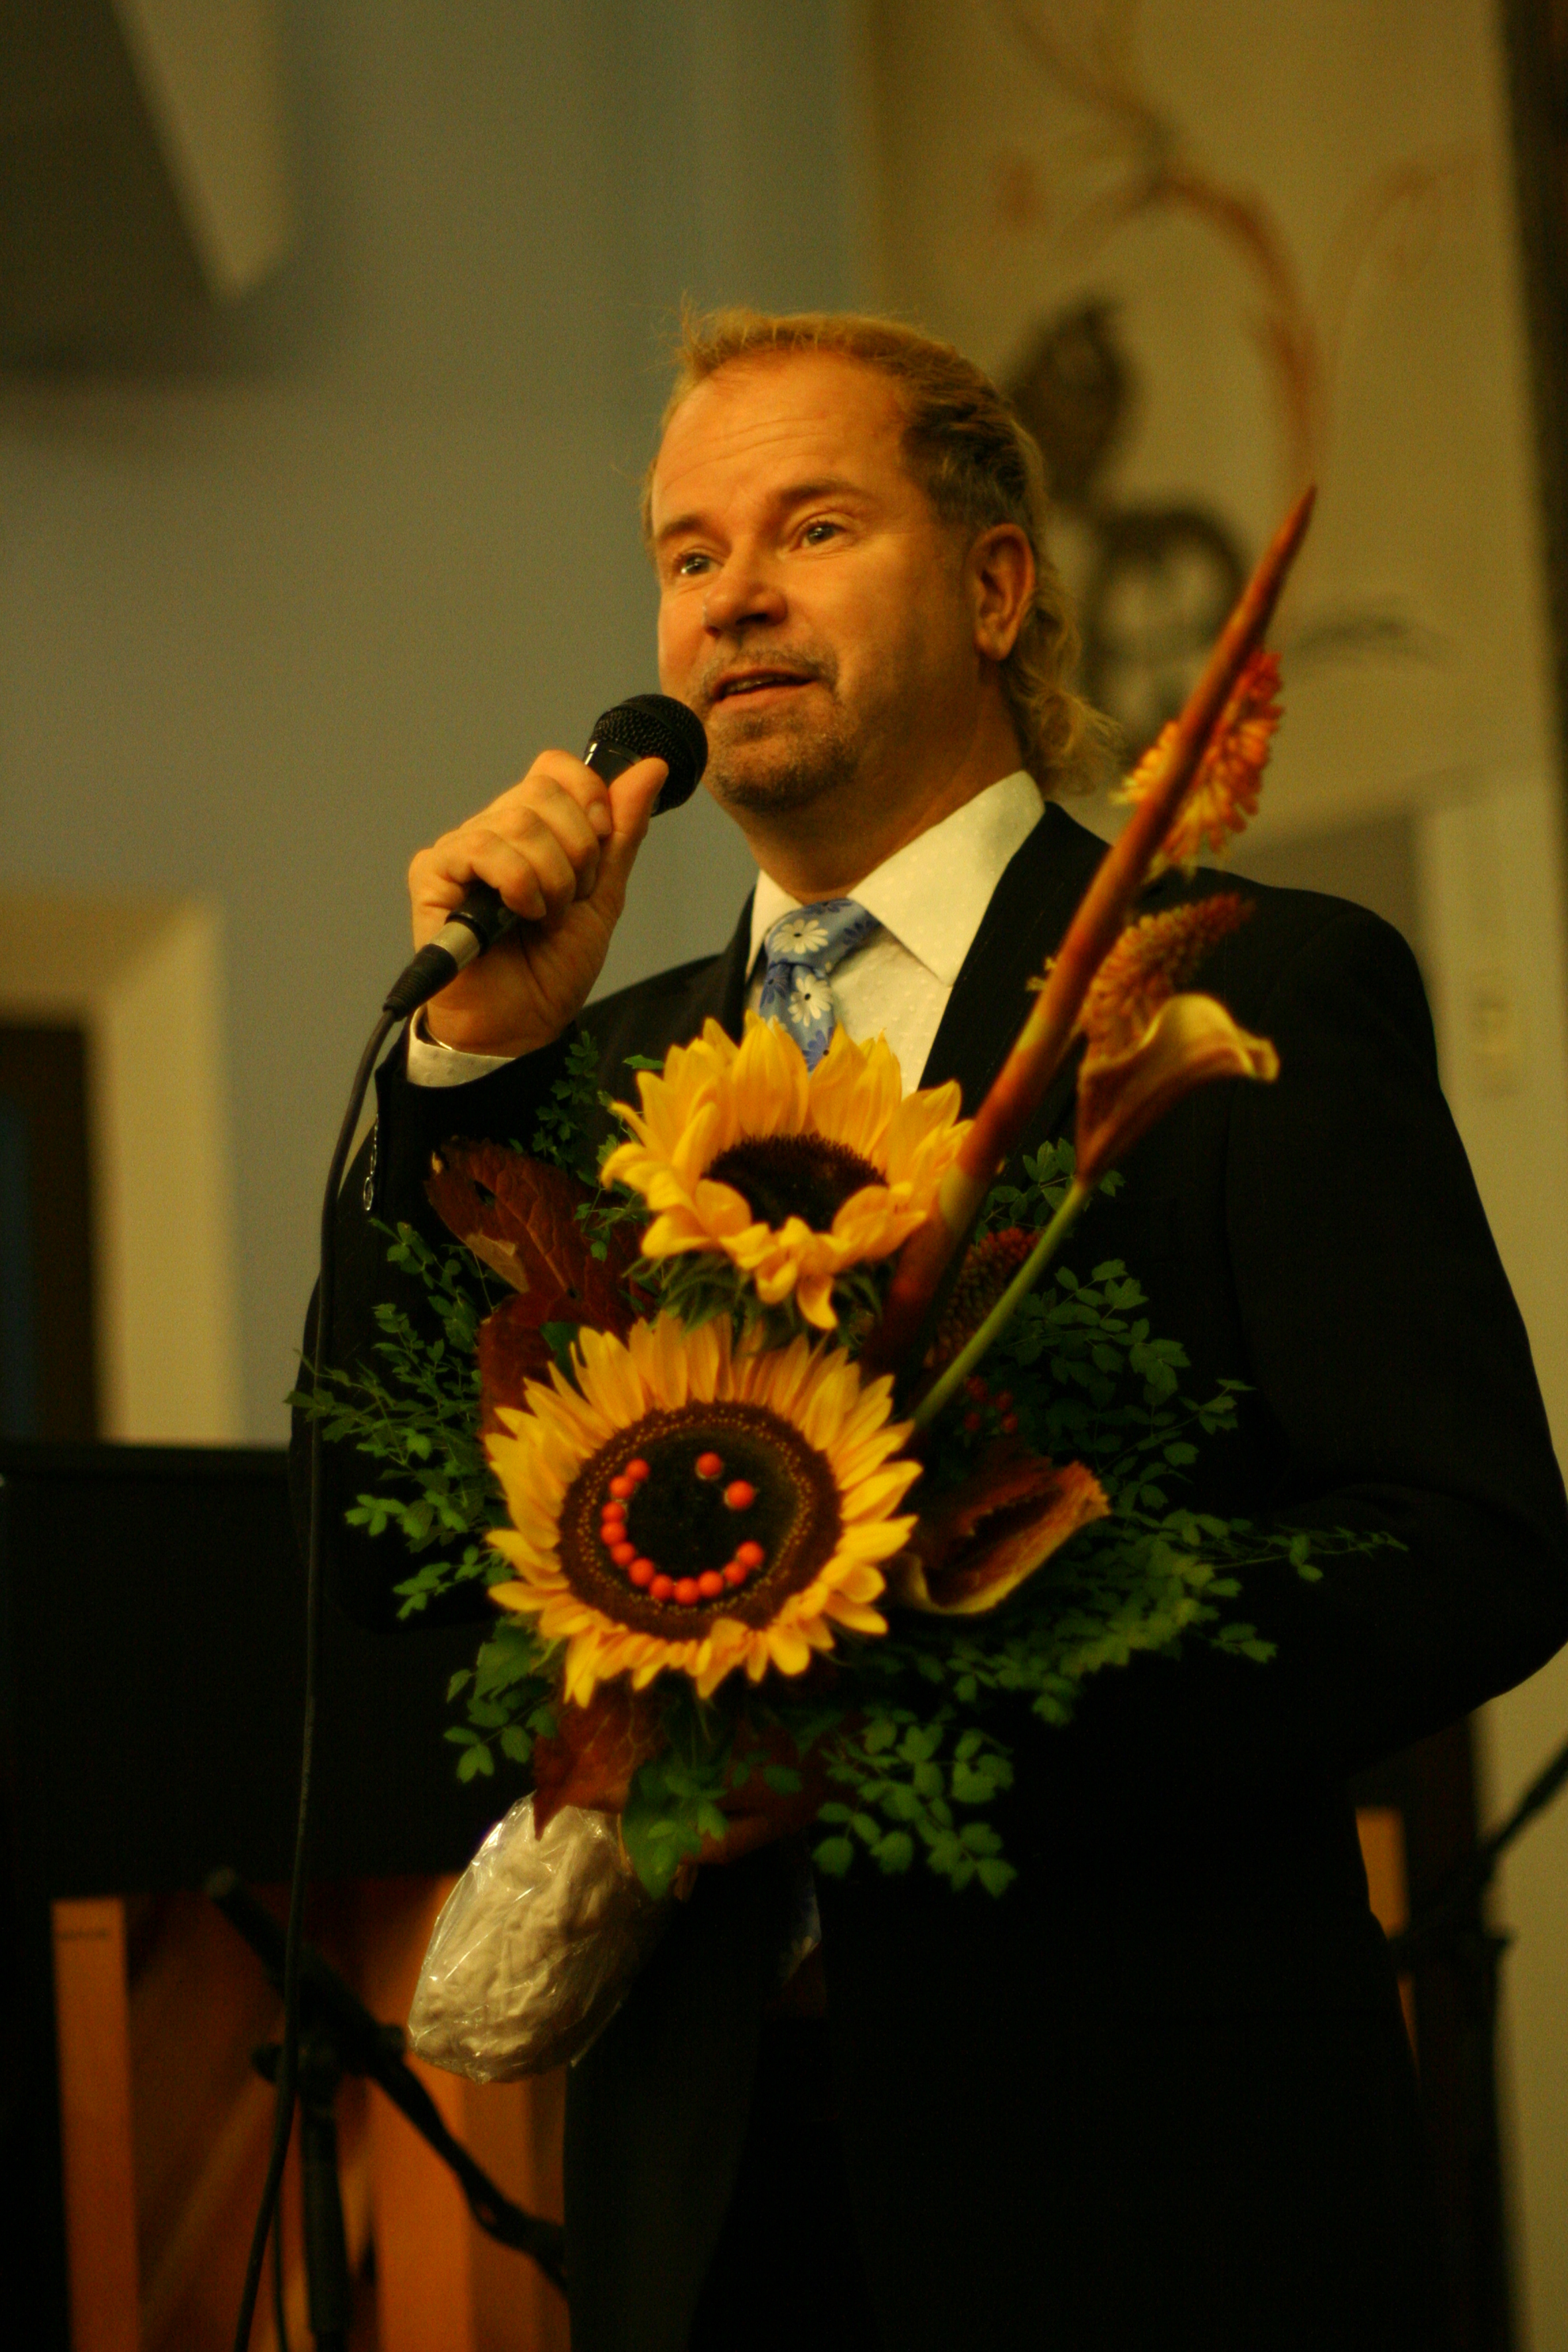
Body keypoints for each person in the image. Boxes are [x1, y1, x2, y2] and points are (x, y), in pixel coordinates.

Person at [303, 311, 1568, 2352]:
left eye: (811, 527)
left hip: (1140, 2185)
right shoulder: (592, 1071)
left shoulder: (1235, 993)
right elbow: (380, 1555)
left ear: (992, 588)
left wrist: (940, 1708)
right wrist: (468, 1068)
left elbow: (1468, 1546)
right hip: (710, 2204)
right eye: (689, 552)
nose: (735, 597)